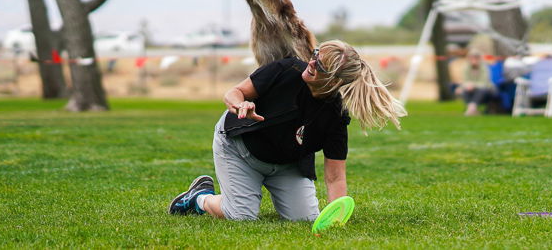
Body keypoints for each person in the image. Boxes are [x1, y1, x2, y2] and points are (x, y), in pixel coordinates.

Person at [168, 40, 407, 221]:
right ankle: (199, 198)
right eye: (316, 55)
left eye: (320, 65)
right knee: (241, 216)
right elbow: (234, 92)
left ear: (334, 82)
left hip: (287, 165)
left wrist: (336, 215)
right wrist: (240, 104)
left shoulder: (336, 115)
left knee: (305, 219)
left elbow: (335, 176)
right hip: (240, 148)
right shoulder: (286, 69)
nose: (312, 62)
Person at [455, 49, 495, 116]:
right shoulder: (466, 68)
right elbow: (465, 81)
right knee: (464, 90)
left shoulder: (484, 68)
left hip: (486, 90)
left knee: (480, 90)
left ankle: (471, 108)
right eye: (472, 58)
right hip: (470, 89)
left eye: (476, 58)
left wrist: (473, 85)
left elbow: (484, 83)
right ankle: (473, 109)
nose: (474, 60)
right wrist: (461, 87)